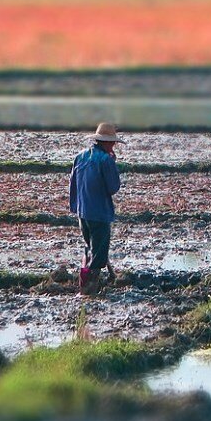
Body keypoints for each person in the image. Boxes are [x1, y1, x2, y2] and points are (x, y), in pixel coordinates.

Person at [69, 122, 123, 295]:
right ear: (107, 142)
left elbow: (73, 183)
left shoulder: (80, 156)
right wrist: (113, 164)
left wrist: (76, 207)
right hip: (99, 212)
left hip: (82, 211)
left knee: (91, 247)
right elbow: (113, 187)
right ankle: (88, 289)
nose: (114, 145)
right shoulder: (106, 160)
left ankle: (86, 282)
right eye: (113, 142)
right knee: (98, 255)